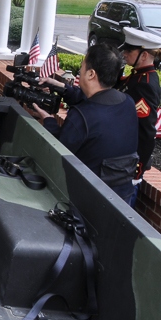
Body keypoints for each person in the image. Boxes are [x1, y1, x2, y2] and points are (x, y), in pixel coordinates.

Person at [31, 44, 138, 203]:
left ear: (91, 74)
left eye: (82, 67)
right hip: (123, 197)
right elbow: (95, 100)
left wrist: (48, 120)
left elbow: (58, 151)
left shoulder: (82, 117)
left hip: (90, 202)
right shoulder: (127, 102)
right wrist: (61, 87)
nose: (79, 72)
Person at [117, 28, 161, 185]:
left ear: (144, 55)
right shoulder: (137, 76)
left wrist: (137, 169)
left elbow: (146, 132)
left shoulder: (145, 84)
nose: (124, 54)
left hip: (128, 165)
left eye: (129, 51)